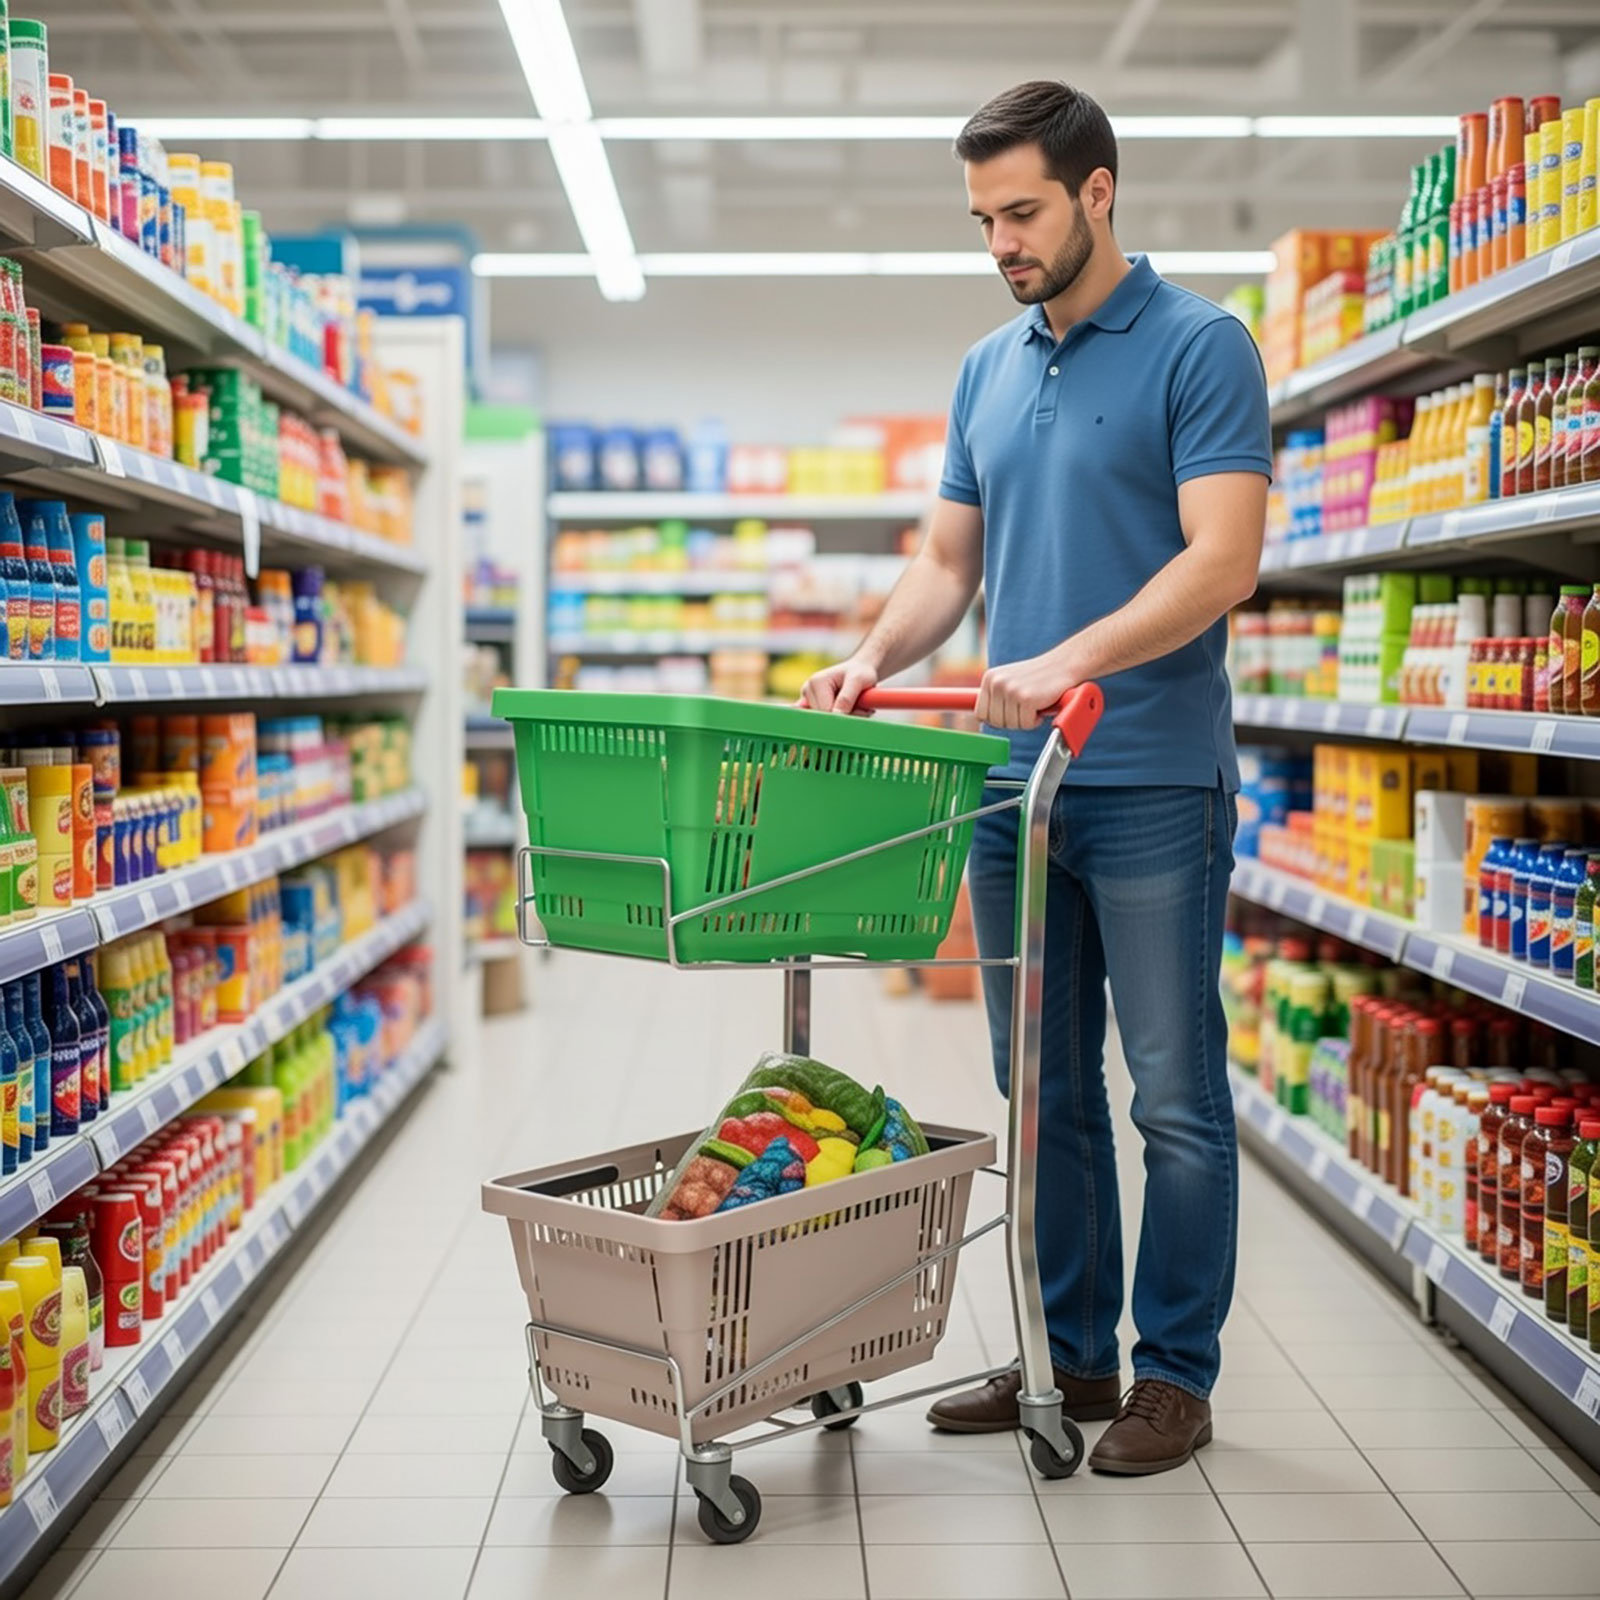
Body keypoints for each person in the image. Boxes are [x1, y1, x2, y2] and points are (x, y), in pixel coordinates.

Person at [801, 80, 1271, 1476]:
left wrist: (1067, 657)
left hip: (1147, 780)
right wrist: (873, 655)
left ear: (1097, 191)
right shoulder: (987, 367)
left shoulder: (1202, 346)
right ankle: (1067, 1358)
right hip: (1013, 788)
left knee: (1172, 1094)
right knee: (1040, 1089)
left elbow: (1220, 561)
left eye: (1022, 211)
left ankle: (1174, 1375)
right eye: (982, 218)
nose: (1001, 240)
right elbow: (950, 562)